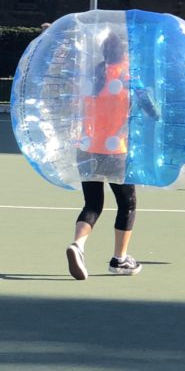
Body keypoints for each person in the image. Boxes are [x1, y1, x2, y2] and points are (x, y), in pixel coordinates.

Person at [66, 32, 156, 279]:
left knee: (93, 204)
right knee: (127, 204)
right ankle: (120, 259)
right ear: (125, 53)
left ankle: (78, 245)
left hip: (86, 146)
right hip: (116, 149)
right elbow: (153, 111)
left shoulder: (94, 74)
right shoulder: (129, 76)